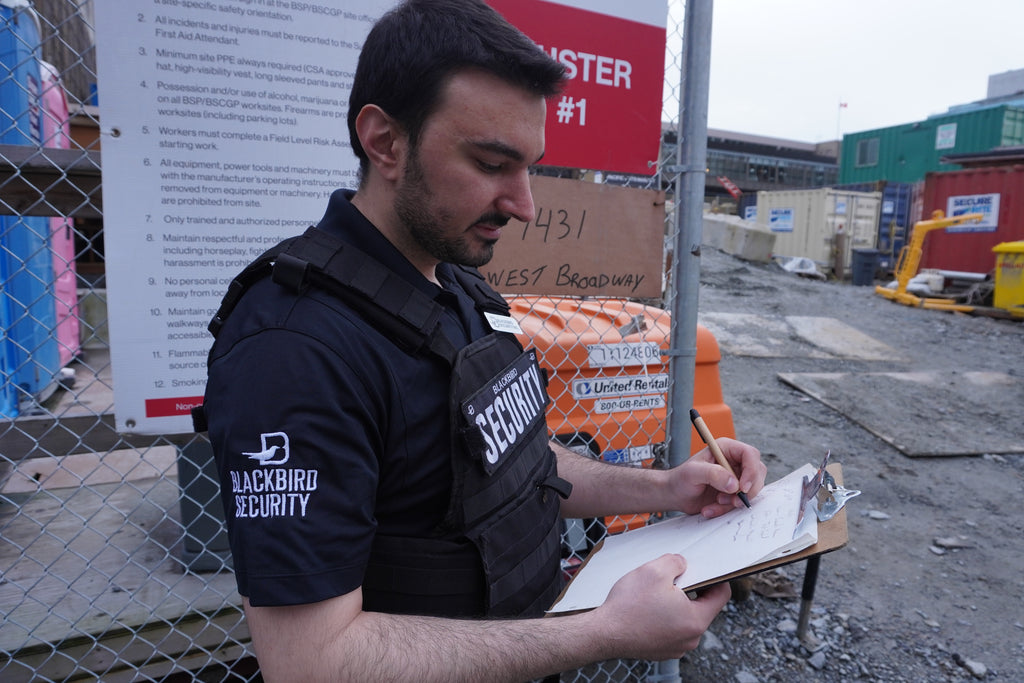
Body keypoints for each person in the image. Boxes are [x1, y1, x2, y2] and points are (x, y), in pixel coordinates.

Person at [200, 0, 767, 680]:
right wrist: (602, 631)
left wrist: (668, 487)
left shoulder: (460, 286)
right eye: (493, 162)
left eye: (530, 165)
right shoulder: (294, 350)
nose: (524, 203)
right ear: (384, 142)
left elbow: (522, 463)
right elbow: (310, 662)